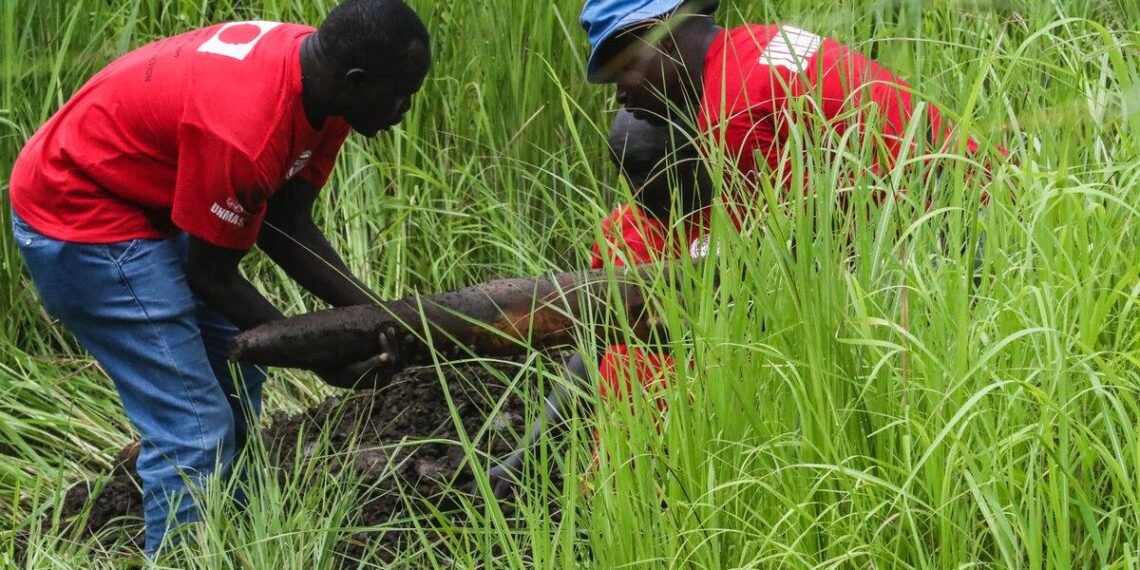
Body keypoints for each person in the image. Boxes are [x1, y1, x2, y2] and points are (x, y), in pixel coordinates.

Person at [486, 0, 999, 498]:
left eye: (623, 68)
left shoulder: (732, 113)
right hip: (949, 208)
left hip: (957, 231)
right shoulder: (753, 49)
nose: (619, 93)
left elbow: (780, 281)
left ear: (665, 35)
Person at [9, 0, 429, 555]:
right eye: (401, 94)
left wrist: (381, 319)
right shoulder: (246, 130)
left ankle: (225, 540)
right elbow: (211, 277)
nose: (404, 108)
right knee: (194, 430)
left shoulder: (324, 87)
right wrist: (325, 356)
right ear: (356, 81)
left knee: (238, 374)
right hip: (79, 212)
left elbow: (285, 223)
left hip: (150, 195)